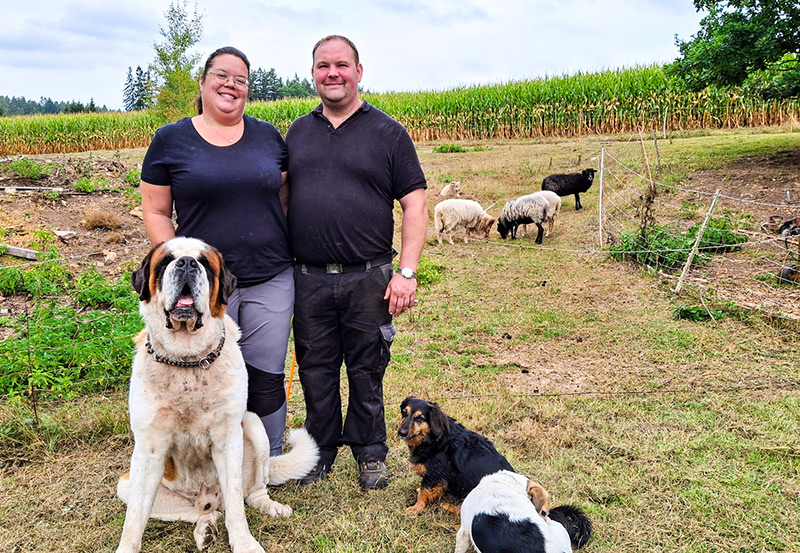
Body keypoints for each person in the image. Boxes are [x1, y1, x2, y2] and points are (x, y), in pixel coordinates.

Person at [285, 35, 428, 490]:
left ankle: (370, 452)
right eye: (323, 65)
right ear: (313, 73)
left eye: (342, 65)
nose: (333, 73)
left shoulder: (388, 133)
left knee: (367, 369)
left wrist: (406, 272)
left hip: (369, 277)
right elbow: (282, 198)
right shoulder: (297, 133)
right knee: (316, 370)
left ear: (358, 71)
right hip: (308, 278)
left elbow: (415, 204)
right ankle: (320, 451)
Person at [139, 46, 293, 456]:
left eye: (240, 79)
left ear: (248, 89)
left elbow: (283, 196)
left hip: (270, 275)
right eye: (221, 75)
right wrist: (173, 265)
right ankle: (205, 457)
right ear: (203, 81)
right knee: (206, 372)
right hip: (201, 285)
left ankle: (267, 457)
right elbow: (156, 210)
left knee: (265, 374)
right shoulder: (171, 140)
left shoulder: (268, 136)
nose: (231, 85)